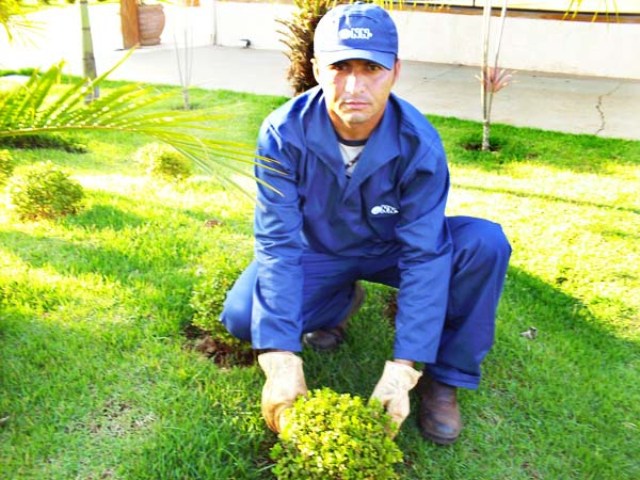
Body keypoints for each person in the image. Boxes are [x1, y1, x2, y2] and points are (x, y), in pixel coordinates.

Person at [220, 2, 511, 445]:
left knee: (484, 244)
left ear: (395, 70)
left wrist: (404, 367)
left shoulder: (419, 144)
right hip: (320, 249)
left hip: (390, 248)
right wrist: (280, 357)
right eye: (340, 67)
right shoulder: (282, 134)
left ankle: (446, 378)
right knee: (243, 316)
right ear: (317, 68)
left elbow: (424, 255)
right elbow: (277, 244)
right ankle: (339, 302)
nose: (354, 85)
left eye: (371, 67)